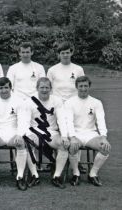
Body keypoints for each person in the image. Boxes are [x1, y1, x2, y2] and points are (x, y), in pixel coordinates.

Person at [23, 77, 70, 189]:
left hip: (51, 133)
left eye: (47, 87)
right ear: (37, 88)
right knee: (28, 144)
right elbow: (25, 121)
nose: (44, 90)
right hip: (35, 131)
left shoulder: (57, 101)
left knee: (63, 144)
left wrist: (64, 136)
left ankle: (56, 176)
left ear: (51, 89)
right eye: (42, 87)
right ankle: (35, 175)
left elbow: (61, 119)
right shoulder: (29, 102)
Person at [47, 41, 86, 173]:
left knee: (74, 131)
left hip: (74, 105)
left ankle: (77, 161)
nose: (65, 55)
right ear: (58, 54)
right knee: (58, 132)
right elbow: (49, 89)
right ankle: (55, 161)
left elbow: (81, 86)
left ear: (71, 53)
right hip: (58, 106)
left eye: (67, 52)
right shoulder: (52, 70)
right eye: (62, 53)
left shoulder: (78, 69)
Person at [65, 76, 111, 186]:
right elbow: (69, 122)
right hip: (76, 134)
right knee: (73, 146)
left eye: (85, 86)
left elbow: (101, 120)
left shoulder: (96, 102)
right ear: (76, 87)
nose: (83, 88)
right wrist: (72, 137)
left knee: (105, 148)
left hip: (91, 134)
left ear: (89, 86)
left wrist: (103, 137)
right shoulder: (69, 102)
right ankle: (76, 173)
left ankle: (93, 174)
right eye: (81, 86)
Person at [0, 77, 28, 191]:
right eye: (1, 88)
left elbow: (22, 121)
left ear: (11, 88)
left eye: (6, 87)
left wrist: (19, 135)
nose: (4, 90)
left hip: (13, 132)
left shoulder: (19, 101)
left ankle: (19, 177)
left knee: (21, 144)